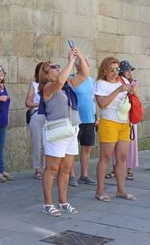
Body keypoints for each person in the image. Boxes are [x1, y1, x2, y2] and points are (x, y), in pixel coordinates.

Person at [39, 47, 88, 216]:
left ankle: (63, 201)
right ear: (46, 75)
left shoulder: (68, 85)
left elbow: (84, 74)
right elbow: (59, 82)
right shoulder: (48, 87)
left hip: (72, 129)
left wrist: (78, 55)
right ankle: (47, 204)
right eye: (54, 67)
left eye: (59, 66)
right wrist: (70, 62)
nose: (58, 68)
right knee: (52, 168)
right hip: (57, 131)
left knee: (66, 168)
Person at [94, 57, 136, 203]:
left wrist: (131, 90)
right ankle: (100, 191)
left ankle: (121, 190)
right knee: (105, 158)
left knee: (122, 157)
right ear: (104, 70)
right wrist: (118, 90)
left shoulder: (123, 81)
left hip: (124, 122)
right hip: (109, 123)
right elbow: (102, 104)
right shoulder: (100, 84)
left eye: (117, 69)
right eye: (111, 70)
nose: (115, 72)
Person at [106, 60, 139, 181]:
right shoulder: (116, 82)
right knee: (116, 145)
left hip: (129, 116)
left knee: (131, 144)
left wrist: (133, 91)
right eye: (127, 70)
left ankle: (130, 170)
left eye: (130, 70)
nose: (129, 72)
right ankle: (116, 169)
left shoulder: (131, 83)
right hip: (118, 116)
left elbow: (136, 99)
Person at [68, 57, 97, 187]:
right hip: (75, 119)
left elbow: (94, 100)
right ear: (76, 65)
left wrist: (97, 117)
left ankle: (84, 175)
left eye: (87, 62)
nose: (87, 64)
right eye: (83, 62)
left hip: (90, 119)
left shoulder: (91, 81)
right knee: (71, 149)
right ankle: (71, 175)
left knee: (86, 148)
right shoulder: (71, 79)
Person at [25, 63, 46, 180]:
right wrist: (41, 104)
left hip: (49, 117)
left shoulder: (52, 84)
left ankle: (48, 169)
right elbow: (27, 103)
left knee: (48, 143)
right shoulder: (34, 85)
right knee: (37, 143)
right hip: (37, 115)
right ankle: (37, 169)